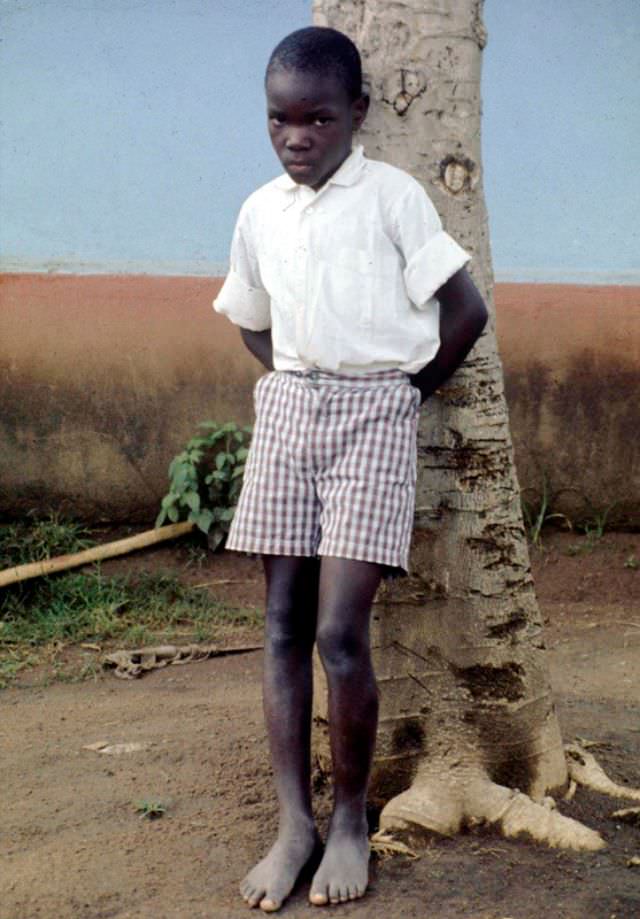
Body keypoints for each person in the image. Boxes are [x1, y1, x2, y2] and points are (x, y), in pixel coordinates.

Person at [213, 26, 488, 912]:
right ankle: (293, 820)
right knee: (282, 622)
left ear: (357, 115)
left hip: (376, 412)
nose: (297, 137)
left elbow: (466, 307)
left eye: (317, 118)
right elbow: (248, 315)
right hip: (291, 409)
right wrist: (296, 369)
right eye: (279, 120)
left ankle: (348, 820)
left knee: (339, 631)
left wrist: (408, 390)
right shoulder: (261, 211)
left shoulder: (394, 199)